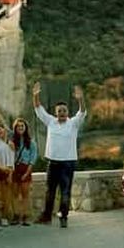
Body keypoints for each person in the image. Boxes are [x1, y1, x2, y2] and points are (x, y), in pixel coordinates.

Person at [33, 82, 87, 228]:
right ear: (55, 112)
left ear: (67, 112)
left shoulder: (73, 123)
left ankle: (64, 217)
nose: (62, 113)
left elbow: (82, 112)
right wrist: (36, 95)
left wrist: (80, 99)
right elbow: (38, 109)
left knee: (65, 191)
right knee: (49, 191)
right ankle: (46, 217)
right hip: (53, 163)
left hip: (68, 164)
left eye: (64, 110)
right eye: (59, 111)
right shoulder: (51, 122)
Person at [11, 118, 38, 225]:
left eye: (22, 126)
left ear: (25, 128)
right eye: (18, 126)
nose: (20, 128)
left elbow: (32, 159)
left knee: (25, 194)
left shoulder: (31, 143)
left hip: (25, 168)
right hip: (15, 168)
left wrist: (27, 173)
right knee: (15, 194)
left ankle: (26, 216)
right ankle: (16, 215)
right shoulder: (13, 141)